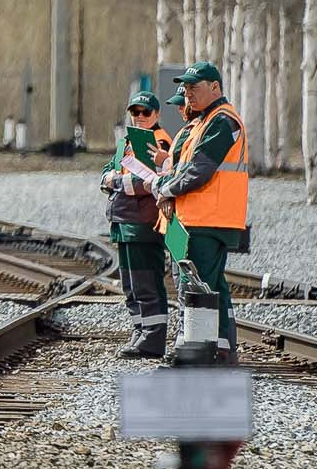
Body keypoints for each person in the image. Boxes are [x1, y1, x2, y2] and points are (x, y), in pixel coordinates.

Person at [154, 61, 250, 359]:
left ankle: (194, 348)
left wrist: (165, 189)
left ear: (215, 87)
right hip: (203, 217)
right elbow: (185, 167)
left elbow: (199, 169)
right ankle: (222, 347)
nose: (188, 94)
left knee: (194, 284)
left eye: (194, 88)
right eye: (185, 89)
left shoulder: (223, 121)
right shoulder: (207, 121)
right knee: (212, 284)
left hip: (208, 217)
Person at [102, 90, 172, 359]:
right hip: (123, 222)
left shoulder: (159, 141)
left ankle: (153, 339)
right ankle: (140, 332)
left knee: (146, 282)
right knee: (130, 284)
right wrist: (115, 181)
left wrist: (114, 182)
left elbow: (147, 183)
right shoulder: (128, 141)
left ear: (156, 115)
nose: (140, 117)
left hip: (143, 224)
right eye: (135, 112)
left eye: (146, 112)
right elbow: (105, 172)